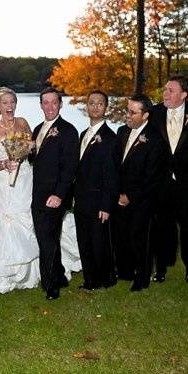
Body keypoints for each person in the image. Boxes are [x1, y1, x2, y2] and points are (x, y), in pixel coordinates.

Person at [0, 87, 81, 296]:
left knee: (36, 223)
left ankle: (41, 273)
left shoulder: (24, 123)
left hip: (26, 180)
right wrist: (4, 164)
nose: (9, 106)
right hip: (2, 183)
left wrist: (25, 152)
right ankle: (1, 273)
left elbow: (34, 149)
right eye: (5, 103)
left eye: (12, 102)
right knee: (3, 225)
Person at [149, 75, 188, 284]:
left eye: (171, 90)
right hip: (161, 183)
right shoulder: (153, 113)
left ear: (184, 94)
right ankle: (161, 268)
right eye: (165, 89)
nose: (165, 93)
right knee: (161, 228)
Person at [114, 95, 167, 292]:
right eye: (127, 110)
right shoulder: (121, 132)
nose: (127, 115)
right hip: (119, 196)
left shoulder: (155, 140)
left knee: (140, 239)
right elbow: (116, 164)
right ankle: (125, 271)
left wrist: (130, 196)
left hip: (142, 199)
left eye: (132, 112)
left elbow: (153, 176)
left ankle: (142, 277)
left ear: (145, 115)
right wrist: (117, 192)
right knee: (122, 236)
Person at [30, 87, 79, 300]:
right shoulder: (38, 128)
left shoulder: (68, 131)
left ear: (60, 104)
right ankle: (58, 275)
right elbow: (37, 161)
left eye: (53, 102)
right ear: (40, 105)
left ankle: (50, 285)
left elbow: (70, 167)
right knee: (48, 237)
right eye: (45, 102)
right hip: (38, 194)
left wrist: (59, 194)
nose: (49, 106)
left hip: (55, 196)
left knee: (46, 239)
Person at [74, 90, 118, 290]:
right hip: (81, 199)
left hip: (99, 200)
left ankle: (106, 278)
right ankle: (90, 280)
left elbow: (112, 175)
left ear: (106, 108)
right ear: (87, 107)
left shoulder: (110, 138)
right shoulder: (83, 134)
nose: (95, 106)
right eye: (91, 103)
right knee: (84, 242)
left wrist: (106, 205)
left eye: (100, 103)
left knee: (100, 242)